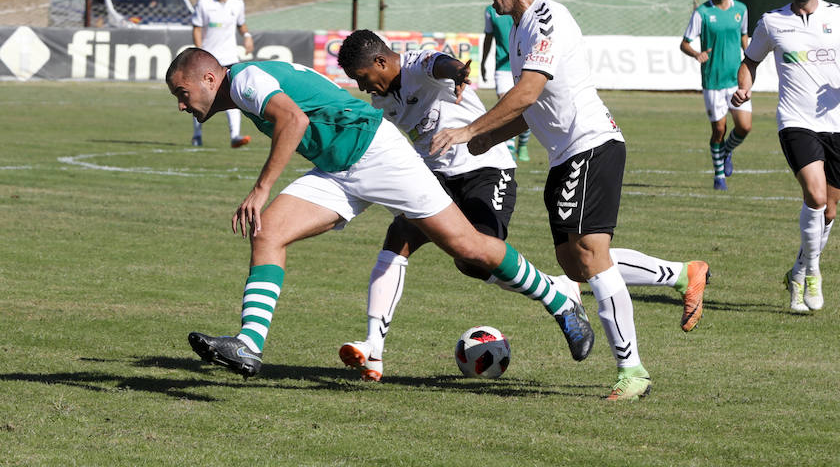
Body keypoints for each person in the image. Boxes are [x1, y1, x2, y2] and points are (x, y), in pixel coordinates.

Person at [165, 47, 594, 379]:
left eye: (182, 94)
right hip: (337, 169)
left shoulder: (243, 80)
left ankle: (559, 300)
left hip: (377, 155)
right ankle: (248, 345)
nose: (182, 106)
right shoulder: (245, 81)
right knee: (268, 232)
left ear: (208, 77)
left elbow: (291, 120)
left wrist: (261, 189)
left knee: (471, 249)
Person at [430, 0, 710, 400]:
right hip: (567, 155)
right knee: (574, 264)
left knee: (592, 259)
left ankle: (632, 370)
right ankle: (682, 274)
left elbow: (527, 93)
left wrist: (466, 131)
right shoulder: (518, 29)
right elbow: (530, 111)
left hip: (592, 145)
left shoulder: (547, 21)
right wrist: (486, 138)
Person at [334, 29, 588, 381]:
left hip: (485, 169)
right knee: (400, 234)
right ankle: (373, 346)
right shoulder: (383, 101)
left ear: (380, 62)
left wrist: (457, 71)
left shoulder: (415, 64)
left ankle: (559, 291)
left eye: (362, 79)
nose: (364, 88)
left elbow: (439, 64)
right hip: (436, 180)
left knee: (476, 260)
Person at [732, 0, 840, 313]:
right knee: (815, 196)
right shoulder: (772, 22)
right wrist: (744, 88)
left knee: (829, 210)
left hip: (835, 125)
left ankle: (797, 270)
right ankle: (814, 272)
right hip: (795, 122)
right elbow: (749, 62)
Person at [679, 0, 751, 191]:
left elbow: (744, 39)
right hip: (712, 80)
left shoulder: (741, 10)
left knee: (744, 127)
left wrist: (751, 62)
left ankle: (727, 150)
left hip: (736, 79)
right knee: (719, 129)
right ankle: (719, 176)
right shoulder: (702, 13)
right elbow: (685, 43)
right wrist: (696, 54)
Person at [190, 0, 252, 148]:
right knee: (200, 98)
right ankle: (197, 135)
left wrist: (247, 36)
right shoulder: (204, 3)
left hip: (229, 57)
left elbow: (241, 24)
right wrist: (198, 52)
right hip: (208, 59)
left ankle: (235, 136)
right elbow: (197, 28)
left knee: (233, 96)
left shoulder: (237, 3)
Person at [482, 4, 531, 161]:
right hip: (502, 68)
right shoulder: (490, 11)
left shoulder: (523, 7)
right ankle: (509, 151)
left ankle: (522, 146)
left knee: (526, 109)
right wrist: (483, 62)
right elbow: (489, 38)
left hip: (523, 66)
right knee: (506, 108)